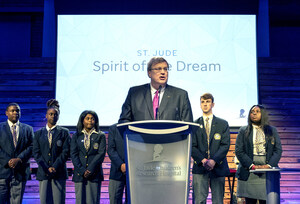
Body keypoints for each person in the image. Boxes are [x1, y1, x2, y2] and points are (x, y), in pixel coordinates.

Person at [118, 57, 193, 123]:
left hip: (171, 138)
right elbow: (124, 121)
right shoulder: (134, 93)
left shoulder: (180, 95)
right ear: (149, 73)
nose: (163, 72)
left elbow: (188, 125)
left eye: (165, 69)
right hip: (140, 138)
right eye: (158, 69)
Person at [235, 105, 282, 204]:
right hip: (249, 170)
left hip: (267, 172)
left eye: (257, 111)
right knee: (250, 201)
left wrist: (268, 166)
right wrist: (251, 165)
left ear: (263, 114)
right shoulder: (243, 131)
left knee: (265, 200)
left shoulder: (272, 130)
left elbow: (278, 150)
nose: (254, 113)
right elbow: (239, 151)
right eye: (252, 111)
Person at [191, 93, 230, 204]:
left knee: (218, 201)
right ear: (200, 105)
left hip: (218, 167)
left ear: (212, 104)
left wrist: (213, 161)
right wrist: (203, 160)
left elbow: (225, 145)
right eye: (202, 102)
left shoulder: (223, 124)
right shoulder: (194, 124)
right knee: (199, 201)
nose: (205, 104)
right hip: (200, 167)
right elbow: (192, 146)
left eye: (208, 102)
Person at [33, 99, 71, 204]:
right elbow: (36, 153)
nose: (53, 116)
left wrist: (55, 166)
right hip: (43, 172)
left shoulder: (64, 132)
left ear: (58, 116)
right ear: (46, 115)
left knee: (59, 201)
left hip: (59, 172)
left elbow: (66, 151)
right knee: (45, 201)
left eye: (55, 114)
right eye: (50, 114)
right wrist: (46, 167)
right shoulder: (38, 133)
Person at [0, 103, 34, 204]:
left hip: (20, 171)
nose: (15, 112)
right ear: (6, 113)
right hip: (2, 171)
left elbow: (32, 146)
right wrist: (9, 161)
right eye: (12, 110)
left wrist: (18, 159)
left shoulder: (28, 129)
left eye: (17, 110)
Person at [70, 110, 106, 204]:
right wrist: (82, 170)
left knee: (93, 201)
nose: (90, 121)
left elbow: (101, 154)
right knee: (80, 201)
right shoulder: (76, 135)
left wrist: (90, 169)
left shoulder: (100, 135)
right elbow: (73, 154)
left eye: (92, 119)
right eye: (88, 118)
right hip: (79, 174)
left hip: (94, 174)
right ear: (82, 120)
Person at [107, 124, 127, 204]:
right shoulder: (113, 128)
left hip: (134, 171)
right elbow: (111, 150)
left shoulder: (138, 127)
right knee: (114, 200)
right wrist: (121, 165)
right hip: (116, 171)